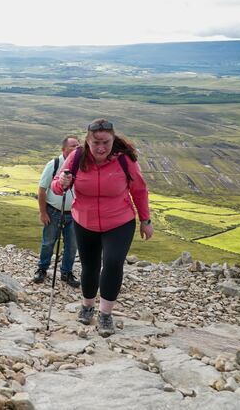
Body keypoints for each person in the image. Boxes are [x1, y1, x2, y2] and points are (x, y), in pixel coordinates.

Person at [53, 119, 153, 337]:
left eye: (106, 142)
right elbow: (56, 186)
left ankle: (105, 314)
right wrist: (61, 183)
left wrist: (145, 220)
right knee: (90, 265)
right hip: (84, 221)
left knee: (113, 262)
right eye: (95, 142)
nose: (100, 148)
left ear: (113, 139)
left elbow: (139, 190)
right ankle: (87, 306)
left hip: (119, 221)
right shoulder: (77, 157)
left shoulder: (125, 159)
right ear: (87, 140)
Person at [33, 136, 81, 288]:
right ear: (64, 149)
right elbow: (42, 190)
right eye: (73, 146)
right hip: (53, 211)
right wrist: (42, 212)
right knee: (48, 243)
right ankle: (42, 269)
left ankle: (66, 272)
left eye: (78, 145)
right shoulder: (54, 164)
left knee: (72, 245)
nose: (76, 148)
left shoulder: (81, 165)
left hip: (74, 214)